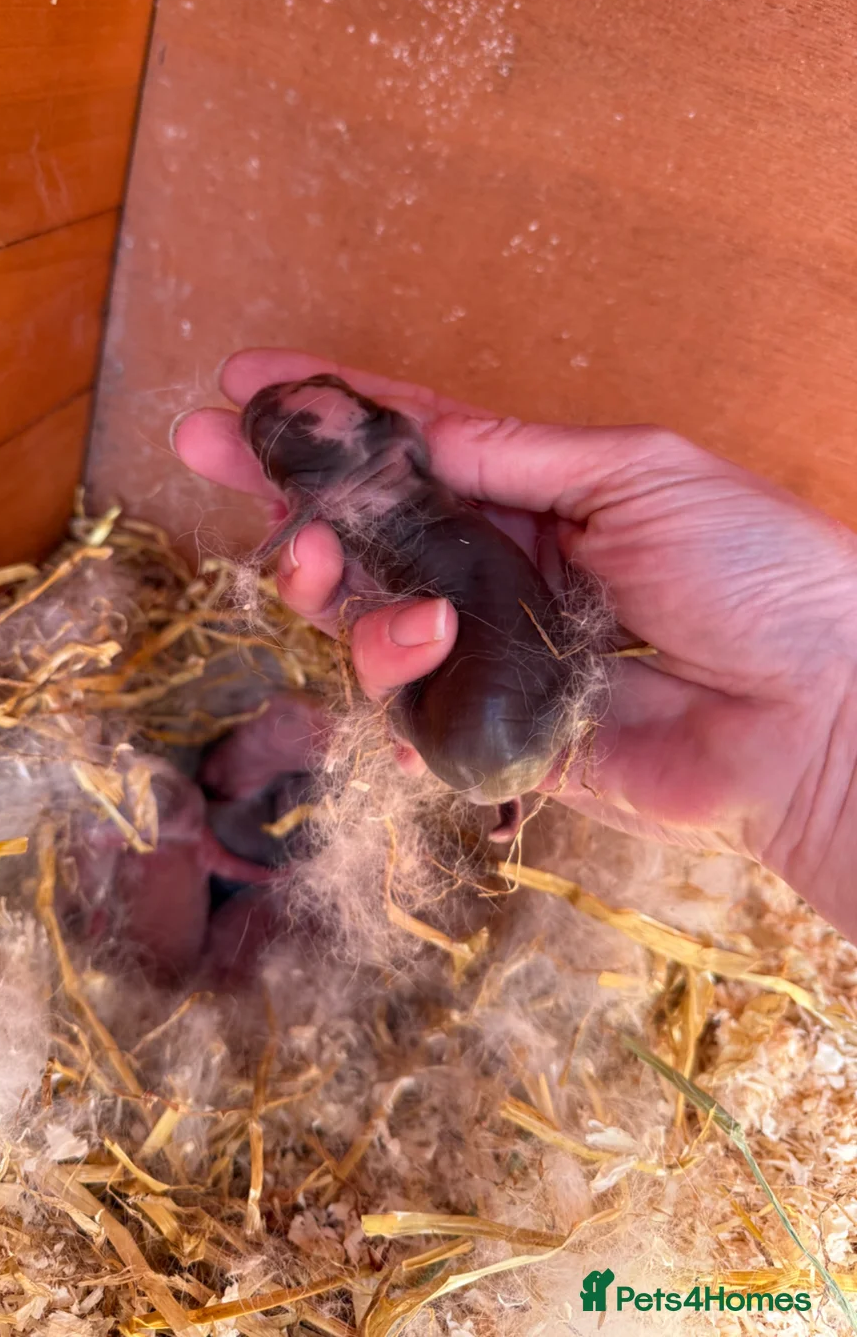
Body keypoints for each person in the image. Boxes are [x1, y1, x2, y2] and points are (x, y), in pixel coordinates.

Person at [173, 348, 857, 940]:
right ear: (388, 431)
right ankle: (483, 766)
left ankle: (488, 770)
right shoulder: (408, 454)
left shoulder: (334, 504)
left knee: (441, 683)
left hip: (501, 722)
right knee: (461, 696)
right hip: (493, 718)